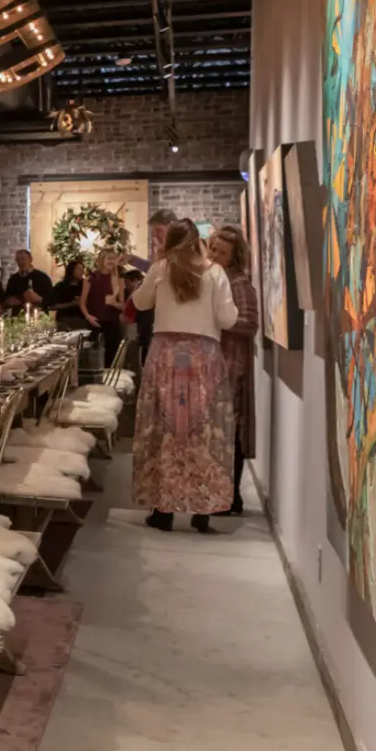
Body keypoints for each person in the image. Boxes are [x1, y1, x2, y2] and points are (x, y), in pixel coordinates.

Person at [132, 219, 239, 533]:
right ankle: (202, 508)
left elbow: (139, 302)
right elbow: (228, 319)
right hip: (203, 357)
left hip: (165, 354)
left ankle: (162, 509)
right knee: (202, 430)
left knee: (165, 429)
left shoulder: (160, 269)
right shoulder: (215, 272)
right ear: (198, 241)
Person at [207, 225, 260, 516]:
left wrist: (218, 319)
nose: (214, 256)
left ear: (234, 257)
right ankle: (223, 495)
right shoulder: (214, 279)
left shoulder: (238, 283)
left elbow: (250, 324)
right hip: (215, 364)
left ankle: (230, 497)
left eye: (221, 252)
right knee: (218, 432)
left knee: (230, 432)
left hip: (232, 365)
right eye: (213, 249)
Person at [129, 208, 178, 354]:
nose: (155, 237)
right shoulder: (162, 256)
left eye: (158, 231)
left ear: (172, 227)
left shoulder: (178, 256)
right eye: (153, 233)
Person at [82, 249, 126, 361]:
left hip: (112, 322)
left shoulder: (119, 280)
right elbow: (82, 302)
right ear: (102, 260)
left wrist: (114, 304)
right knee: (94, 356)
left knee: (111, 356)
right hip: (95, 321)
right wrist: (88, 316)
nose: (112, 261)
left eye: (114, 258)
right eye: (109, 258)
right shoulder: (90, 278)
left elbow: (122, 305)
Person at [46, 258, 90, 331]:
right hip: (65, 319)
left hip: (83, 319)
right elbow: (51, 306)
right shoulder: (60, 286)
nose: (82, 271)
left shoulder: (85, 285)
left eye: (82, 269)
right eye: (79, 269)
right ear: (71, 270)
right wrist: (71, 304)